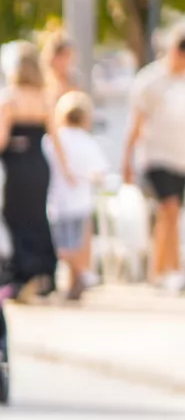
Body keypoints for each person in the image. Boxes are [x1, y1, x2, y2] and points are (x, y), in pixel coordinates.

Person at [124, 34, 185, 290]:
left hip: (183, 159)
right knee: (169, 208)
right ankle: (171, 270)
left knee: (171, 215)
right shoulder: (150, 81)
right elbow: (135, 124)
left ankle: (160, 270)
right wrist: (126, 160)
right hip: (155, 156)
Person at [3, 44, 72, 300]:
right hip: (39, 166)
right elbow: (56, 139)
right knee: (37, 217)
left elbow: (1, 138)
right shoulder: (45, 98)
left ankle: (21, 274)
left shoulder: (9, 98)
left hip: (16, 167)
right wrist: (67, 171)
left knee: (14, 218)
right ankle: (43, 272)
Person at [45, 91, 111, 303]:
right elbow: (101, 172)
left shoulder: (53, 139)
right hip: (80, 202)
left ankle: (77, 278)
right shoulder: (86, 141)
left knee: (60, 246)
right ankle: (78, 277)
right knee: (73, 244)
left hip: (57, 201)